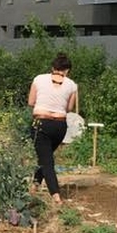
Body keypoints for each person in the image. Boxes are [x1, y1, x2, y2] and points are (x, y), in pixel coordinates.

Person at [27, 53, 78, 204]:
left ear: (52, 68)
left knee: (47, 161)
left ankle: (56, 195)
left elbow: (31, 102)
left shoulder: (38, 79)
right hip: (60, 127)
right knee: (45, 156)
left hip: (41, 124)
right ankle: (35, 184)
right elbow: (69, 108)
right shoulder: (72, 85)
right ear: (67, 70)